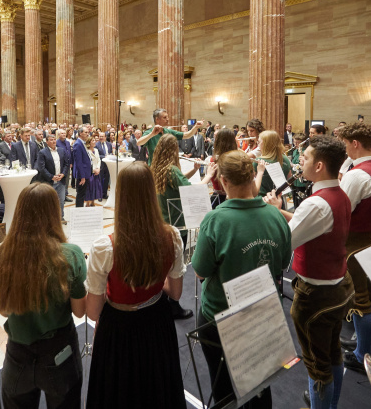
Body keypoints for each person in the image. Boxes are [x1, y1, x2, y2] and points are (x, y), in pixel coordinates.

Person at [191, 151, 291, 408]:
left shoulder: (216, 219)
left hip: (221, 316)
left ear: (223, 181)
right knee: (259, 386)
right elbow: (281, 264)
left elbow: (200, 271)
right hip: (264, 312)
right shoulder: (276, 215)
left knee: (222, 387)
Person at [85, 163, 187, 409]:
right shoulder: (171, 236)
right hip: (157, 323)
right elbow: (175, 292)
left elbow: (92, 312)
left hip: (118, 330)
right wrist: (153, 283)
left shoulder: (104, 247)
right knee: (157, 389)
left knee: (120, 392)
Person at [264, 136, 354, 409]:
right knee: (332, 353)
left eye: (305, 157)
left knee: (317, 366)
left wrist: (269, 214)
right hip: (338, 283)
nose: (300, 161)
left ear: (320, 165)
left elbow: (284, 243)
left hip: (317, 295)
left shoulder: (316, 203)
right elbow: (311, 226)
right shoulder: (337, 194)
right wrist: (281, 211)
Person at [0, 184, 87, 409]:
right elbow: (80, 311)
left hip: (17, 355)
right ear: (54, 213)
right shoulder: (70, 255)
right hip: (60, 353)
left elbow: (3, 309)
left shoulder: (2, 256)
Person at [338, 122, 371, 374]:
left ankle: (363, 354)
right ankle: (367, 344)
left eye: (346, 144)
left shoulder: (357, 174)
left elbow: (341, 213)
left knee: (360, 301)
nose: (346, 149)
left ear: (355, 144)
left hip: (354, 244)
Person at [151, 134, 217, 320]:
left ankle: (163, 298)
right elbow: (191, 192)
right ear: (173, 150)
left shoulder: (158, 168)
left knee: (166, 263)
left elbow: (178, 182)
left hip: (163, 220)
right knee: (176, 265)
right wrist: (209, 175)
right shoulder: (172, 170)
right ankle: (174, 305)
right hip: (177, 225)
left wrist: (194, 171)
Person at [136, 108, 204, 165]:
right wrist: (152, 134)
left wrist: (195, 127)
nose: (168, 119)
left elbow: (187, 135)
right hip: (155, 168)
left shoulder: (168, 131)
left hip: (169, 167)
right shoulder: (149, 132)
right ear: (157, 119)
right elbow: (139, 143)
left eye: (167, 117)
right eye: (165, 117)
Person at [36, 134, 69, 222]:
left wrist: (63, 174)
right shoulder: (42, 152)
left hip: (60, 181)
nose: (54, 141)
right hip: (49, 181)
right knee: (48, 202)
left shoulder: (61, 150)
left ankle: (60, 217)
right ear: (47, 142)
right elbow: (41, 168)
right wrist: (52, 177)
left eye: (54, 139)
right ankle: (48, 219)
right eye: (51, 140)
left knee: (61, 201)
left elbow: (66, 164)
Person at [252, 130, 292, 197]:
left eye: (259, 142)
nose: (257, 143)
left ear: (266, 144)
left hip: (263, 199)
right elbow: (289, 178)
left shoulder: (258, 161)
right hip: (279, 198)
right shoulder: (285, 159)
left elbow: (253, 185)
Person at [206, 129, 238, 208]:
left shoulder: (212, 160)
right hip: (235, 198)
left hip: (218, 198)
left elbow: (211, 180)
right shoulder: (238, 159)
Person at [72, 127, 92, 207]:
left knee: (83, 193)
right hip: (81, 175)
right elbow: (79, 162)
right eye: (86, 132)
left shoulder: (82, 142)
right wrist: (83, 177)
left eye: (88, 132)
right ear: (80, 133)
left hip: (85, 173)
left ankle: (80, 209)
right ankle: (78, 211)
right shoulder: (77, 144)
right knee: (80, 194)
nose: (88, 134)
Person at [85, 134, 103, 205]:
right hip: (90, 172)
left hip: (96, 171)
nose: (95, 141)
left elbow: (99, 160)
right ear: (89, 142)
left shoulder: (96, 150)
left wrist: (98, 168)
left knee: (95, 188)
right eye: (93, 140)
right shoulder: (87, 151)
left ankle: (93, 202)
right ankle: (87, 203)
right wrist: (93, 170)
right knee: (89, 188)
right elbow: (87, 163)